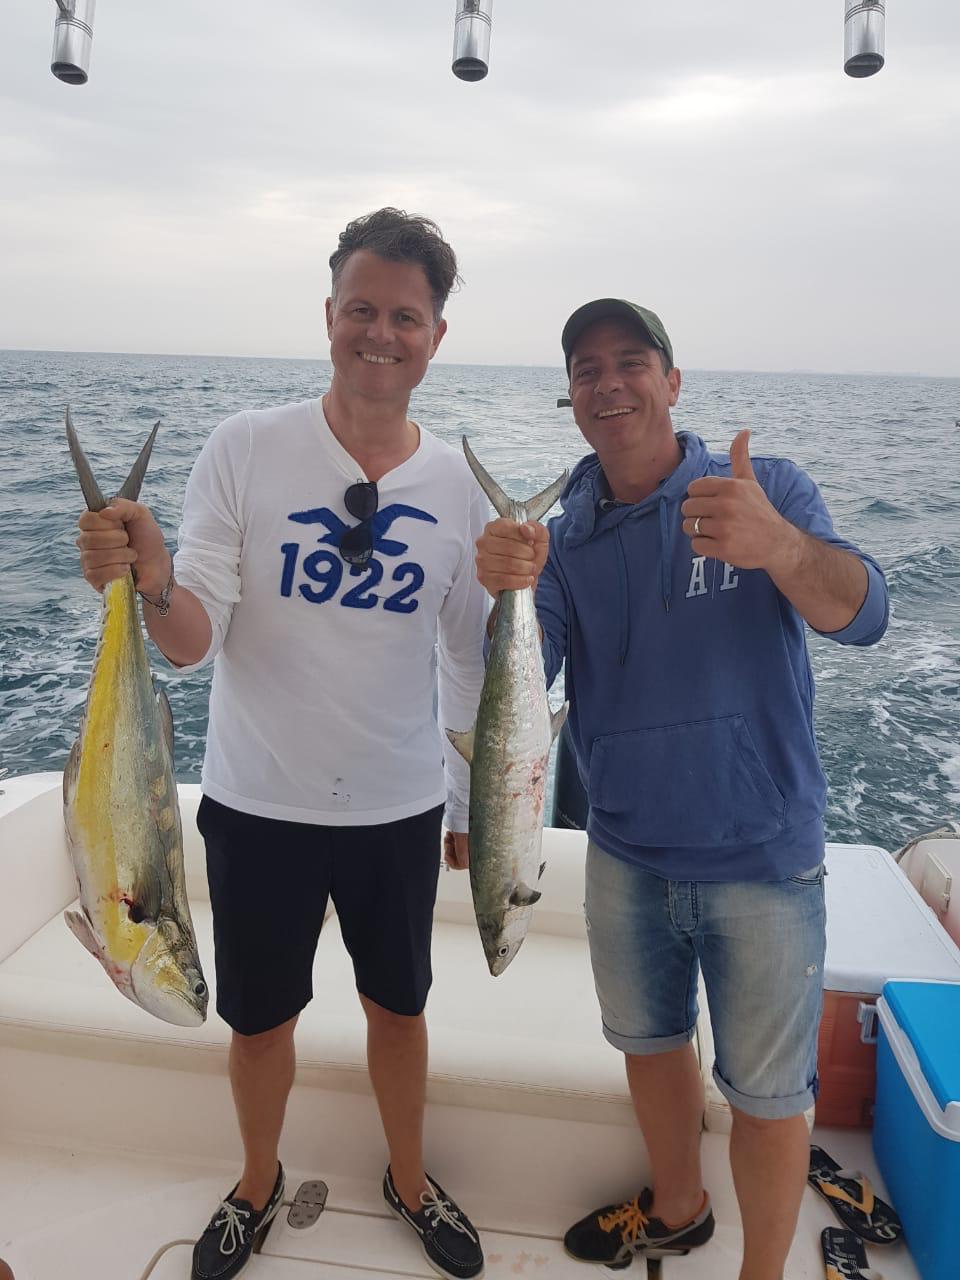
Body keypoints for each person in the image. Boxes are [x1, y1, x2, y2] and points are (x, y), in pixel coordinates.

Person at [76, 208, 488, 1280]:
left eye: (405, 315)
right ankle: (255, 1183)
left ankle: (408, 1174)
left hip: (396, 809)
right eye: (362, 308)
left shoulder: (453, 483)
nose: (380, 332)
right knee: (258, 1023)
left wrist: (468, 802)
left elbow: (475, 659)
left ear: (437, 334)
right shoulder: (247, 447)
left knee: (400, 1009)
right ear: (329, 315)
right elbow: (188, 638)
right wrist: (149, 577)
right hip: (259, 805)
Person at [474, 298, 889, 1280]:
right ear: (571, 396)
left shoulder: (762, 487)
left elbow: (864, 613)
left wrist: (780, 546)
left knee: (769, 1092)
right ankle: (678, 1205)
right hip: (625, 852)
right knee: (650, 1047)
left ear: (672, 379)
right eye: (586, 369)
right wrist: (501, 590)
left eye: (630, 362)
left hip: (761, 856)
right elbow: (522, 689)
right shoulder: (565, 538)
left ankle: (761, 1272)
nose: (608, 383)